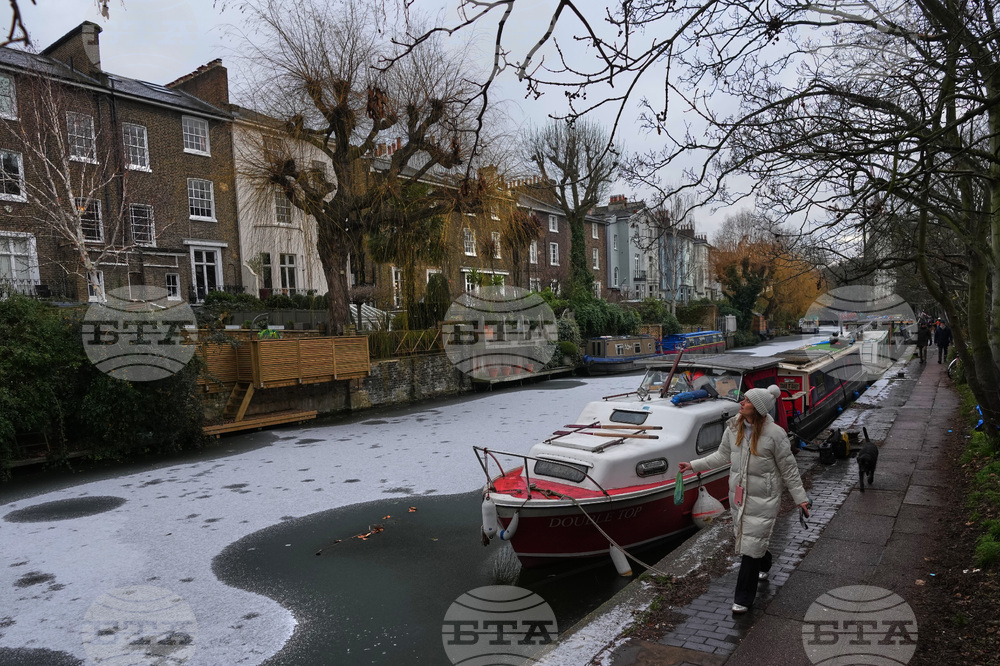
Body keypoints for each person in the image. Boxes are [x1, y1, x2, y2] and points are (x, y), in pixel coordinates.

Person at [677, 386, 809, 615]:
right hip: (738, 495)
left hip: (765, 497)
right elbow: (722, 456)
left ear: (756, 408)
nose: (742, 402)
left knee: (750, 548)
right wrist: (693, 465)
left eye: (746, 400)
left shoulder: (775, 435)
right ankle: (765, 561)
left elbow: (789, 470)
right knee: (752, 541)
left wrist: (801, 499)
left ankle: (744, 599)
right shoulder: (733, 427)